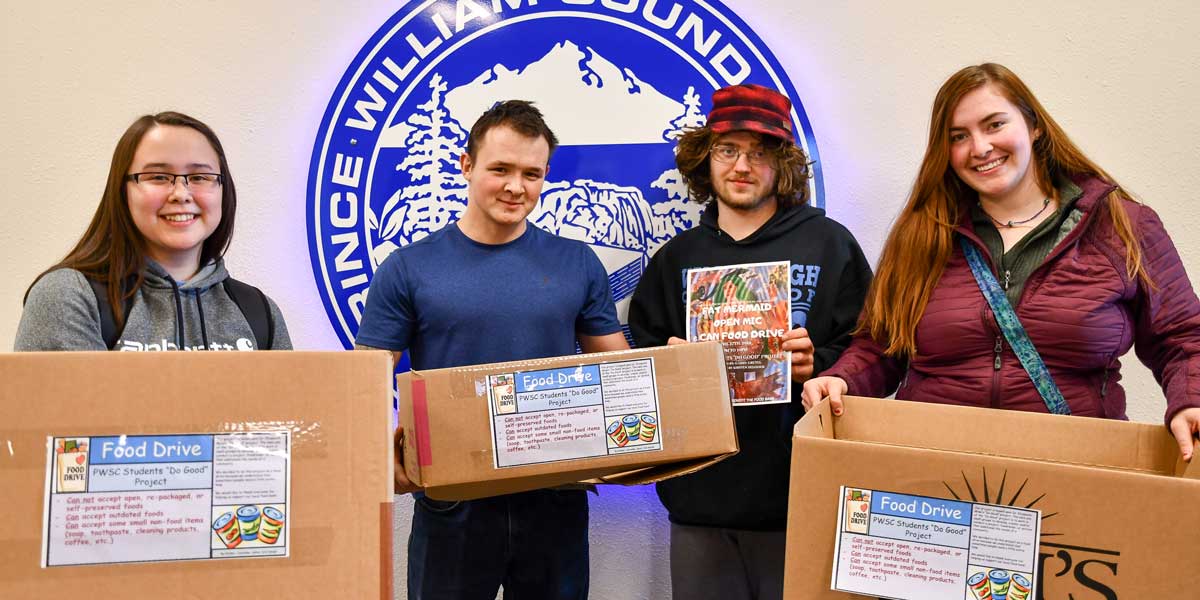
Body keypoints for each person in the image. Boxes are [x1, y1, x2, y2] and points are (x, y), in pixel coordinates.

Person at [803, 63, 1200, 461]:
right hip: (933, 477)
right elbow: (881, 344)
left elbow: (1182, 338)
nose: (979, 148)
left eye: (994, 125)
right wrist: (841, 379)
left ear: (1034, 126)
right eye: (959, 136)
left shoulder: (1121, 224)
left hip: (1076, 468)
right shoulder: (922, 232)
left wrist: (1190, 402)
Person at [354, 100, 628, 600]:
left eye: (532, 173)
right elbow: (363, 383)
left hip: (554, 495)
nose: (516, 187)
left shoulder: (576, 262)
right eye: (500, 168)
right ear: (466, 164)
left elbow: (620, 369)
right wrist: (376, 454)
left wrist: (680, 380)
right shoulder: (409, 267)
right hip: (452, 499)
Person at [627, 84, 872, 600]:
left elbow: (871, 351)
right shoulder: (675, 259)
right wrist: (670, 369)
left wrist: (818, 363)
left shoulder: (830, 244)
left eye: (760, 152)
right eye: (728, 150)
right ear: (704, 158)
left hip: (803, 499)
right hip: (699, 504)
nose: (743, 165)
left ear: (783, 163)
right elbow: (637, 368)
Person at [16, 111, 291, 352]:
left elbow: (287, 412)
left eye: (199, 177)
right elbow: (73, 412)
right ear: (122, 191)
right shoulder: (70, 297)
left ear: (223, 190)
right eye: (158, 177)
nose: (181, 194)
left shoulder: (261, 314)